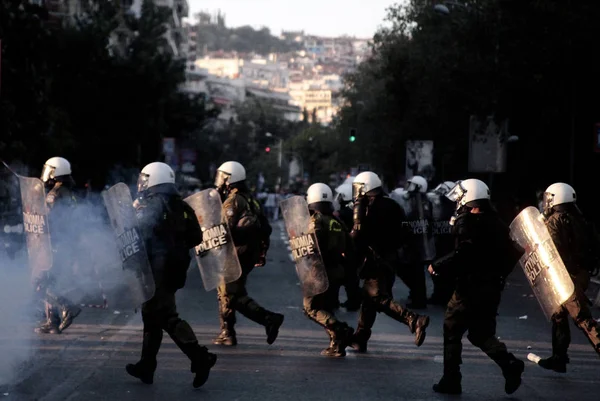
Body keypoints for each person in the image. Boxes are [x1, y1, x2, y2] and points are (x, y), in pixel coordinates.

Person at [428, 178, 524, 395]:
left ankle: (451, 380)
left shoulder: (467, 223)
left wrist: (438, 265)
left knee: (452, 329)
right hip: (492, 288)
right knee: (480, 334)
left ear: (468, 197)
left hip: (469, 288)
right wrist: (497, 278)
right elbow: (513, 253)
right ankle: (509, 363)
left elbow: (465, 253)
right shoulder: (498, 223)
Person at [126, 162, 216, 388]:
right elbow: (196, 237)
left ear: (154, 180)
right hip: (175, 268)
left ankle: (200, 357)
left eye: (146, 178)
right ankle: (146, 365)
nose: (142, 183)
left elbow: (139, 234)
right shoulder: (183, 207)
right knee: (152, 315)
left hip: (157, 270)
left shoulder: (151, 206)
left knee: (165, 316)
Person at [349, 172, 430, 353]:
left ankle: (414, 319)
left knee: (378, 298)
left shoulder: (366, 207)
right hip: (391, 259)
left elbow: (359, 234)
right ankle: (360, 338)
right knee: (369, 301)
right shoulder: (394, 204)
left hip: (375, 260)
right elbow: (404, 233)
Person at [212, 161, 284, 346]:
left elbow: (225, 229)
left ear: (230, 178)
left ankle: (268, 319)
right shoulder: (250, 199)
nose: (219, 181)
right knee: (229, 292)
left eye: (222, 177)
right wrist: (261, 252)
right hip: (248, 253)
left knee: (230, 293)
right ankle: (227, 332)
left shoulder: (233, 201)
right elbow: (266, 228)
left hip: (236, 252)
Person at [537, 182, 600, 372]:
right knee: (558, 313)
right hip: (580, 273)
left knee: (582, 318)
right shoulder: (580, 219)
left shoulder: (555, 221)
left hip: (566, 275)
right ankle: (559, 357)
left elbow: (554, 249)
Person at [303, 183, 355, 357]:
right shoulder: (336, 221)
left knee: (311, 309)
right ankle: (337, 345)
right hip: (337, 271)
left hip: (319, 271)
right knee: (328, 308)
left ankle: (341, 329)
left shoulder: (316, 221)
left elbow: (313, 244)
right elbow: (350, 246)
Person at [35, 157, 81, 334]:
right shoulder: (68, 192)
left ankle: (68, 306)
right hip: (66, 242)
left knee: (40, 284)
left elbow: (47, 220)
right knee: (51, 281)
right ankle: (52, 321)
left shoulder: (55, 194)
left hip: (55, 243)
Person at [399, 175, 434, 309]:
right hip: (415, 243)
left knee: (416, 273)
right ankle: (416, 296)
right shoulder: (417, 200)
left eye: (412, 185)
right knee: (415, 272)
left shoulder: (421, 202)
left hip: (417, 244)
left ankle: (418, 299)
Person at [427, 181, 457, 305]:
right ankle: (439, 295)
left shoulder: (456, 207)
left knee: (447, 273)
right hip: (438, 242)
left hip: (449, 244)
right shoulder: (436, 205)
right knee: (437, 272)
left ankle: (446, 296)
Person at [333, 183, 362, 311]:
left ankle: (338, 301)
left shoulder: (341, 213)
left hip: (346, 248)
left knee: (343, 276)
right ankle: (353, 301)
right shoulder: (356, 209)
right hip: (355, 248)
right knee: (352, 277)